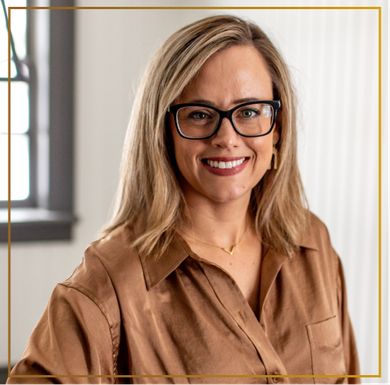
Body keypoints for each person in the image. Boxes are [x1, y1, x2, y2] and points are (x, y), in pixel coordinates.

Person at [8, 15, 360, 384]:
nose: (227, 137)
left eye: (250, 111)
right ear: (164, 132)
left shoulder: (312, 240)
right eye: (199, 114)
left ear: (278, 128)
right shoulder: (106, 285)